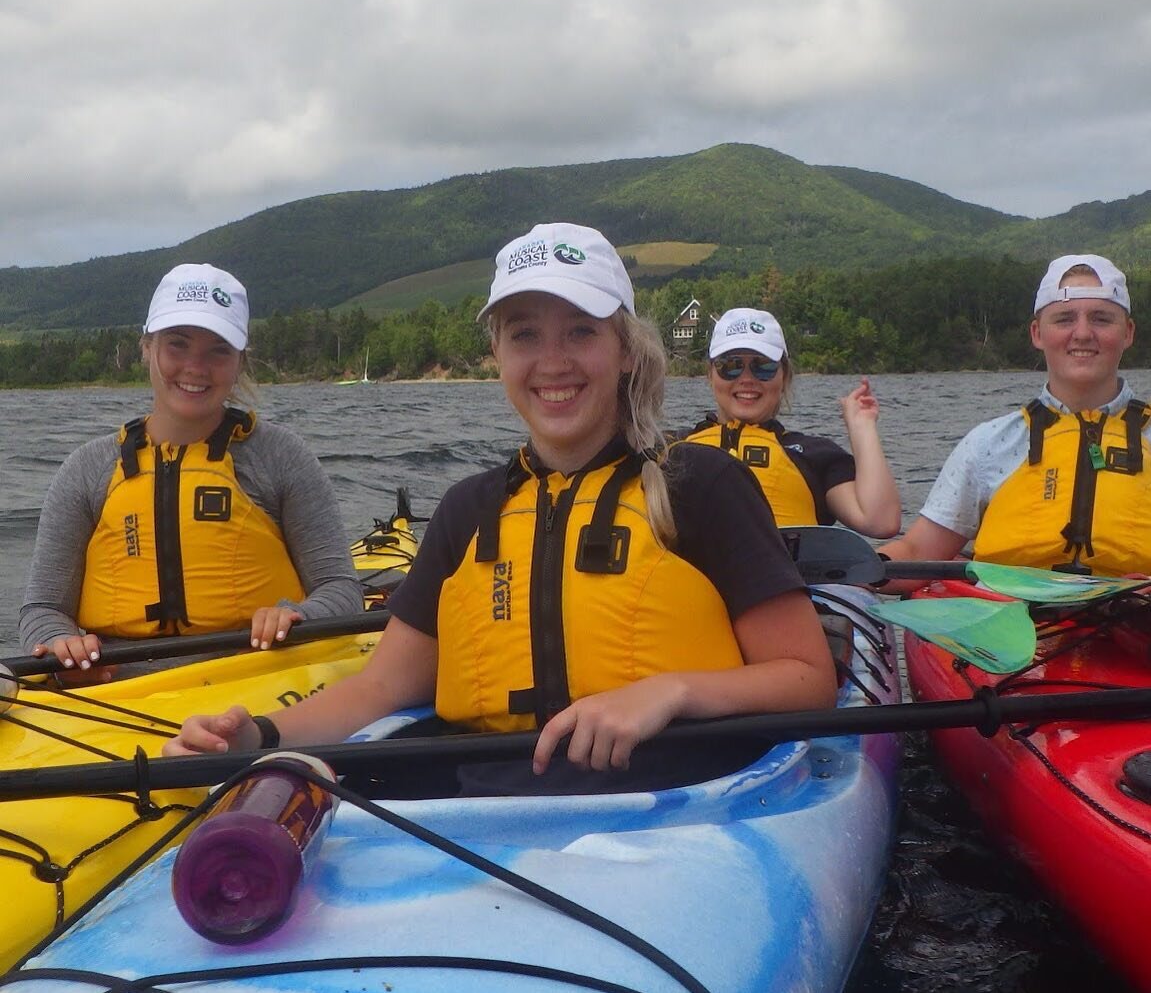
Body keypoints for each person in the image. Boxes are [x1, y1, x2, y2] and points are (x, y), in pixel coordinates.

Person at [165, 224, 838, 793]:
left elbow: (807, 678)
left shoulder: (700, 484)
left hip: (674, 796)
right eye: (524, 335)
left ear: (624, 350)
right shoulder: (468, 509)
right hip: (487, 805)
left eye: (579, 331)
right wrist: (255, 733)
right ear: (496, 355)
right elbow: (378, 689)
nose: (552, 361)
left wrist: (671, 692)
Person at [19, 262, 363, 677]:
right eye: (177, 344)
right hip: (113, 687)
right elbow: (42, 610)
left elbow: (342, 591)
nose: (195, 367)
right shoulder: (86, 469)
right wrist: (61, 644)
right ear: (147, 347)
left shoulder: (282, 457)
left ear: (239, 361)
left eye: (218, 350)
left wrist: (298, 617)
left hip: (255, 673)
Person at [883, 253, 1148, 578]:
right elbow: (916, 551)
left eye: (1101, 319)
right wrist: (850, 571)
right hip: (1017, 624)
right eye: (1064, 319)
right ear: (1037, 333)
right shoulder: (988, 444)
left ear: (1128, 332)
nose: (1081, 333)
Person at [682, 308, 902, 537]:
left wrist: (862, 427)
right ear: (710, 374)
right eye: (730, 366)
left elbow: (880, 522)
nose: (746, 379)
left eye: (763, 366)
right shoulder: (672, 449)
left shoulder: (813, 456)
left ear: (784, 376)